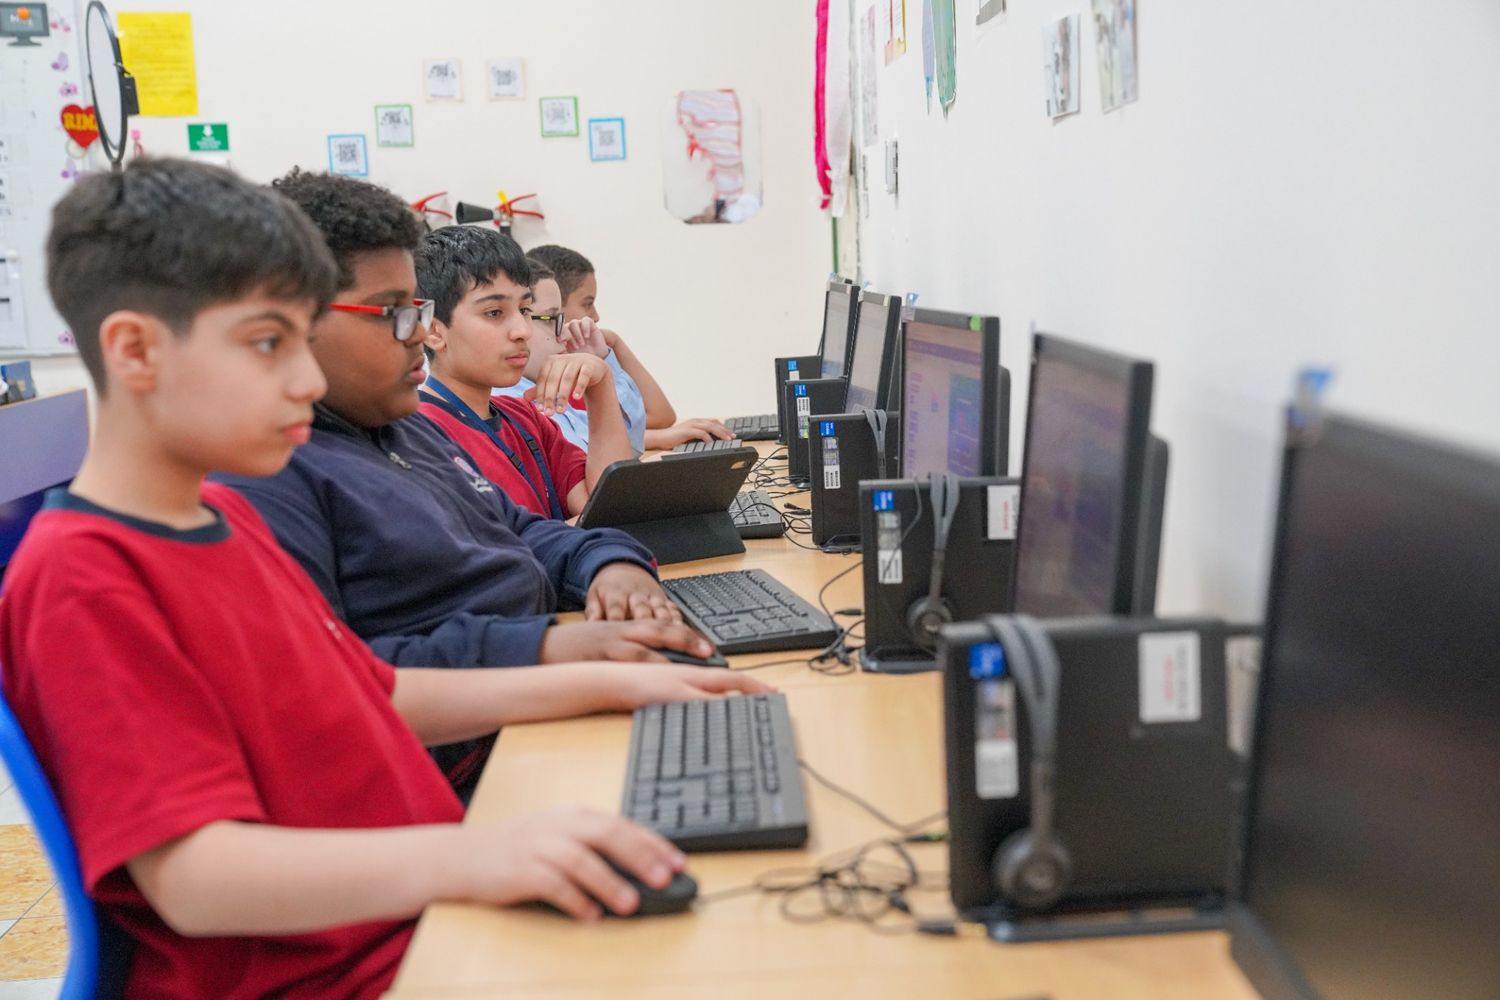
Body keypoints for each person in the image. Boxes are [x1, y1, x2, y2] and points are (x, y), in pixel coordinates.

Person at [0, 156, 769, 999]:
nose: (304, 378)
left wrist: (610, 679)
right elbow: (193, 877)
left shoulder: (223, 526)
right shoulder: (85, 577)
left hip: (413, 912)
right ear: (136, 351)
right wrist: (473, 854)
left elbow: (372, 691)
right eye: (267, 343)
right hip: (338, 969)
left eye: (302, 339)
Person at [215, 169, 714, 798]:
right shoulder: (266, 479)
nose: (421, 334)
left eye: (416, 311)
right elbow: (347, 683)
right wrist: (552, 648)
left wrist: (611, 566)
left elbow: (521, 530)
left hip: (523, 715)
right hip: (463, 774)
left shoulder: (401, 432)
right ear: (291, 321)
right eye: (394, 314)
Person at [414, 225, 632, 517]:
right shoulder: (419, 435)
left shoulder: (524, 418)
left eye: (525, 311)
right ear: (433, 331)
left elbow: (612, 509)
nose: (522, 330)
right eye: (494, 313)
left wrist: (601, 385)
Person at [519, 244, 735, 451]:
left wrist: (612, 345)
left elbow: (647, 426)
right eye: (587, 303)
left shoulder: (555, 374)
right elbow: (647, 427)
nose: (595, 316)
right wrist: (659, 441)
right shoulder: (532, 391)